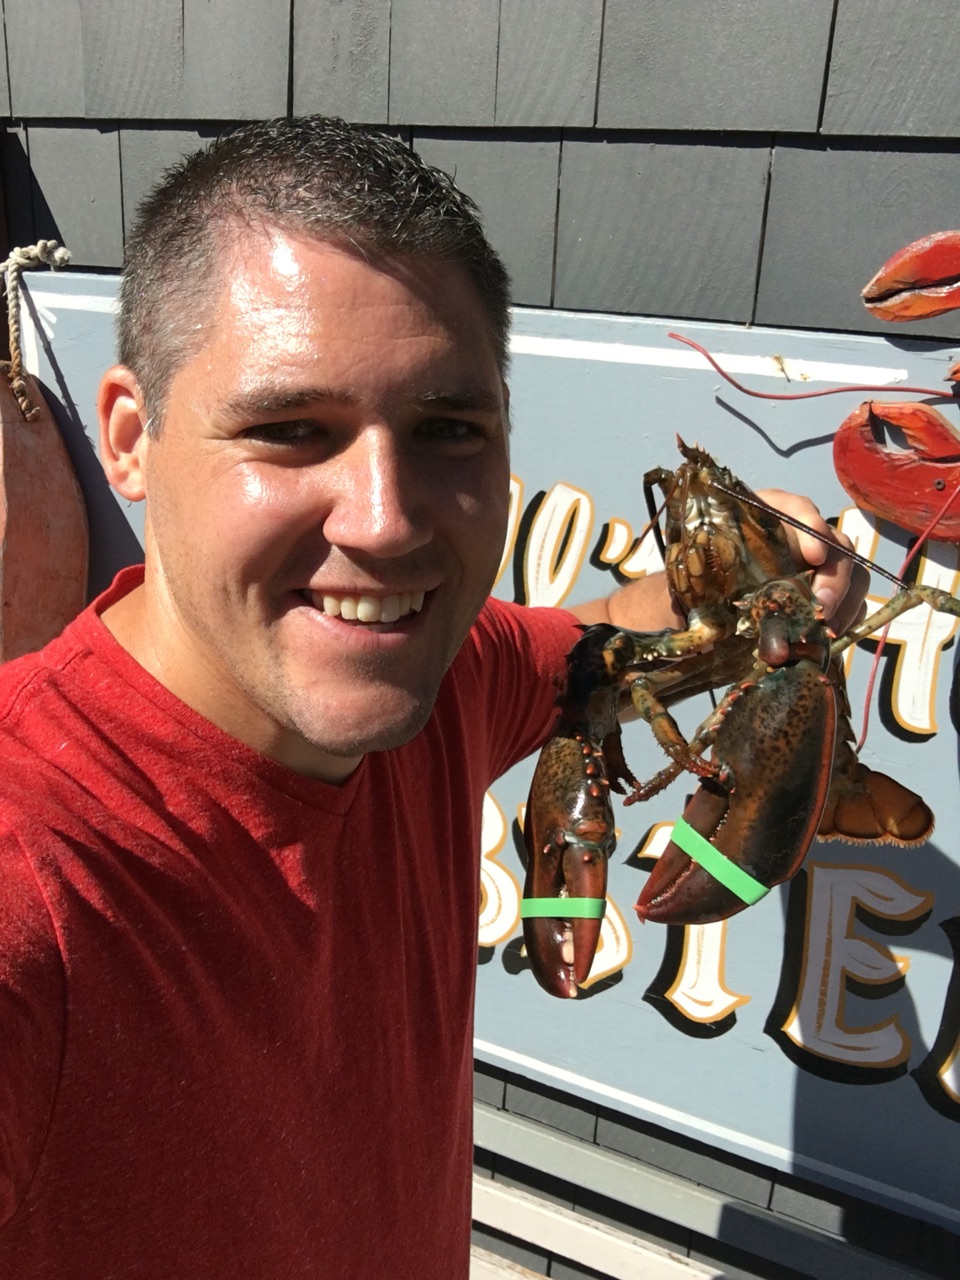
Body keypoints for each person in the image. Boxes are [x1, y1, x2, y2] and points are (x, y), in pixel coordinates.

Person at [0, 117, 863, 1277]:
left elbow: (615, 637)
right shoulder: (30, 876)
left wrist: (762, 580)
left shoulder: (444, 674)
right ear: (129, 439)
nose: (387, 519)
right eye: (289, 429)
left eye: (448, 429)